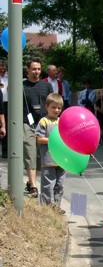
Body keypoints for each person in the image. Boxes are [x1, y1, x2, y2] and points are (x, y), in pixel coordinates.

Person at [23, 58, 54, 198]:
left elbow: (53, 104)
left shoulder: (46, 86)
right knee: (30, 151)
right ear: (27, 70)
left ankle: (31, 181)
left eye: (39, 69)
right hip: (26, 123)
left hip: (43, 124)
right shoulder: (21, 86)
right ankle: (34, 187)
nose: (36, 72)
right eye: (34, 69)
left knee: (41, 154)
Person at [35, 93, 66, 212]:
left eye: (59, 108)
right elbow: (39, 139)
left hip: (62, 160)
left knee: (60, 185)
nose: (57, 110)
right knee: (48, 185)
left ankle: (56, 207)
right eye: (53, 107)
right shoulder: (44, 121)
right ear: (46, 106)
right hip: (48, 160)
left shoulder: (62, 121)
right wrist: (54, 140)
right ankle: (46, 208)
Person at [0, 60, 8, 158]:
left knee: (6, 127)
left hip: (7, 103)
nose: (2, 68)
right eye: (1, 66)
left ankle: (6, 151)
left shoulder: (8, 77)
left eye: (3, 66)